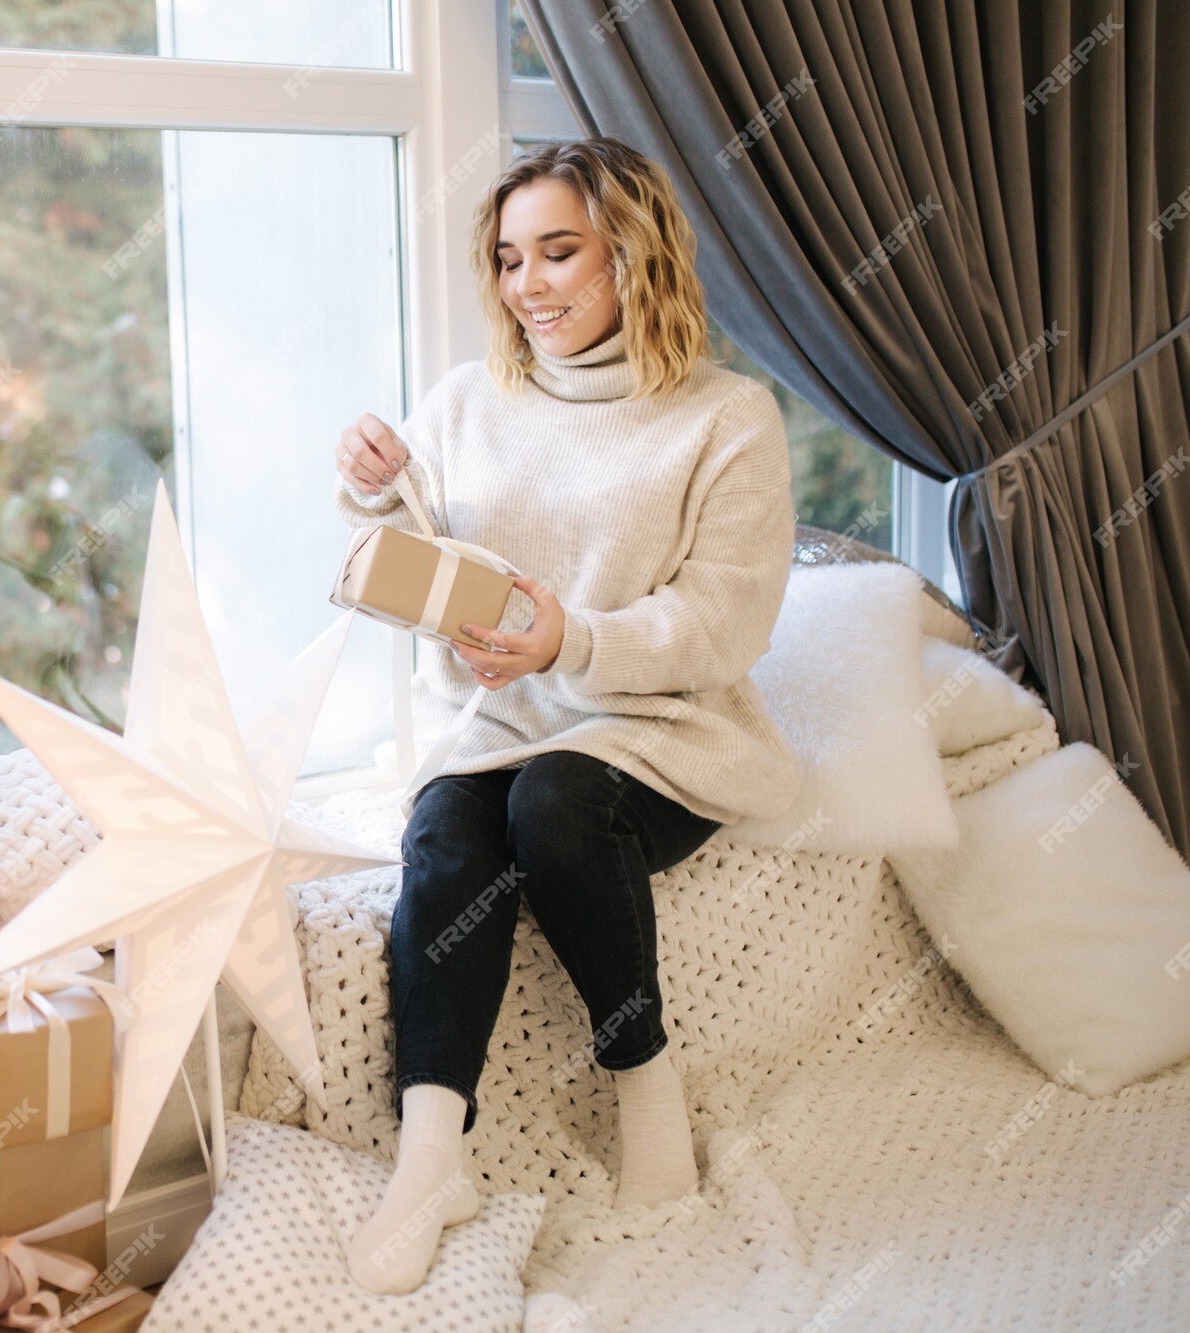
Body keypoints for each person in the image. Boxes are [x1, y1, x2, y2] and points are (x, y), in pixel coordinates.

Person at [332, 137, 803, 1294]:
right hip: (497, 722)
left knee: (556, 799)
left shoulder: (727, 418)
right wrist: (372, 488)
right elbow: (432, 566)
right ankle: (430, 1154)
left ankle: (644, 1083)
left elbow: (724, 624)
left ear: (631, 256)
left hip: (658, 732)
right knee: (444, 829)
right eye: (505, 258)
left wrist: (571, 642)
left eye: (557, 252)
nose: (525, 285)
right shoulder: (465, 399)